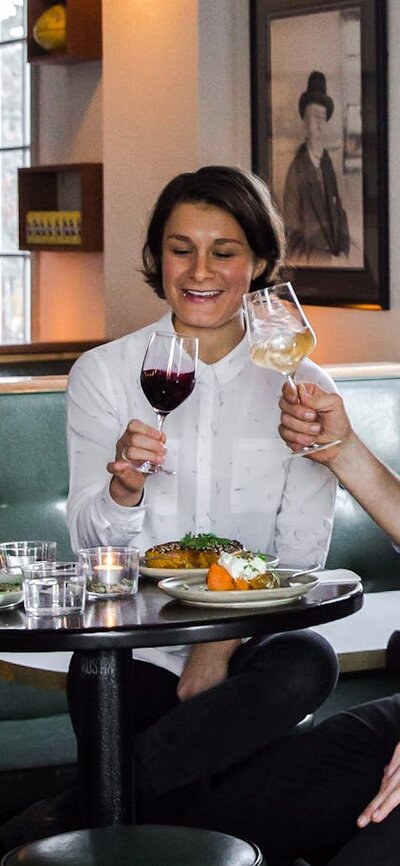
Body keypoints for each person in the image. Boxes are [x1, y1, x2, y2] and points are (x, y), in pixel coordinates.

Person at [0, 167, 339, 854]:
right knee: (106, 678)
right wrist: (124, 487)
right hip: (138, 638)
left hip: (253, 640)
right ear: (157, 259)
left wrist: (215, 647)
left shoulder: (302, 386)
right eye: (181, 248)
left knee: (307, 660)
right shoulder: (106, 374)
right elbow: (92, 543)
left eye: (226, 250)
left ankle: (79, 811)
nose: (201, 270)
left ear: (260, 262)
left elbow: (301, 550)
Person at [283, 71, 350, 264]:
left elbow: (340, 214)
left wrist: (343, 253)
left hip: (336, 265)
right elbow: (290, 233)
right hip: (314, 269)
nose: (319, 122)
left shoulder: (328, 167)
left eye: (322, 116)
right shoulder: (297, 170)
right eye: (314, 115)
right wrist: (323, 260)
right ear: (305, 121)